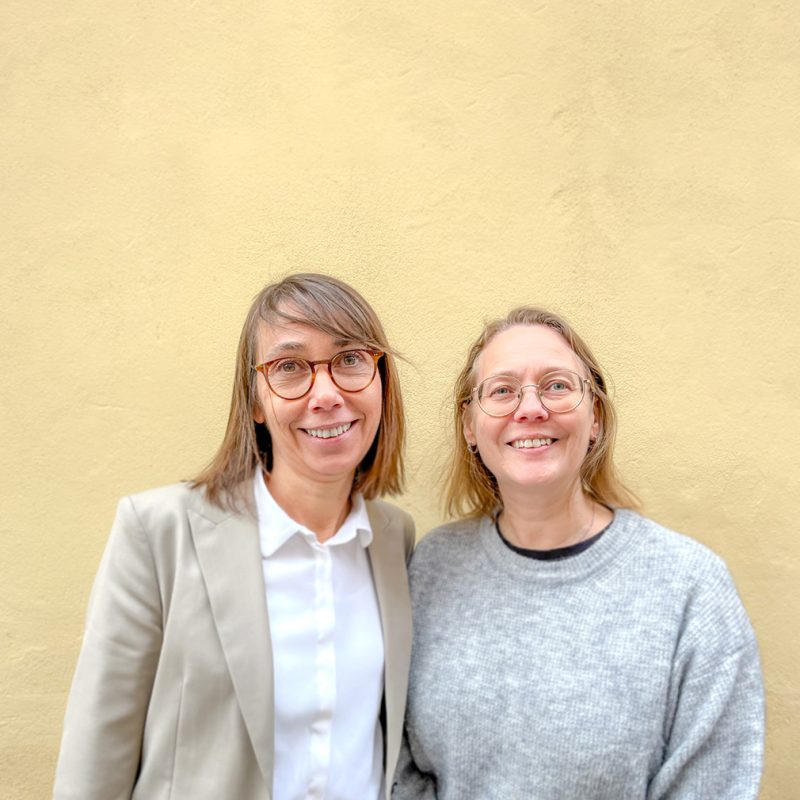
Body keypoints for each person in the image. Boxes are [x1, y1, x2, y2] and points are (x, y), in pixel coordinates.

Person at [54, 273, 415, 800]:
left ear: (381, 379)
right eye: (289, 368)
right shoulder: (159, 533)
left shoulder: (392, 541)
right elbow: (95, 759)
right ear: (254, 403)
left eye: (351, 360)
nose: (327, 393)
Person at [393, 307, 764, 800]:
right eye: (502, 390)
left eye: (556, 386)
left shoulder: (690, 588)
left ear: (595, 418)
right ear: (469, 425)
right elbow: (393, 762)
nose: (530, 408)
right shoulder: (431, 570)